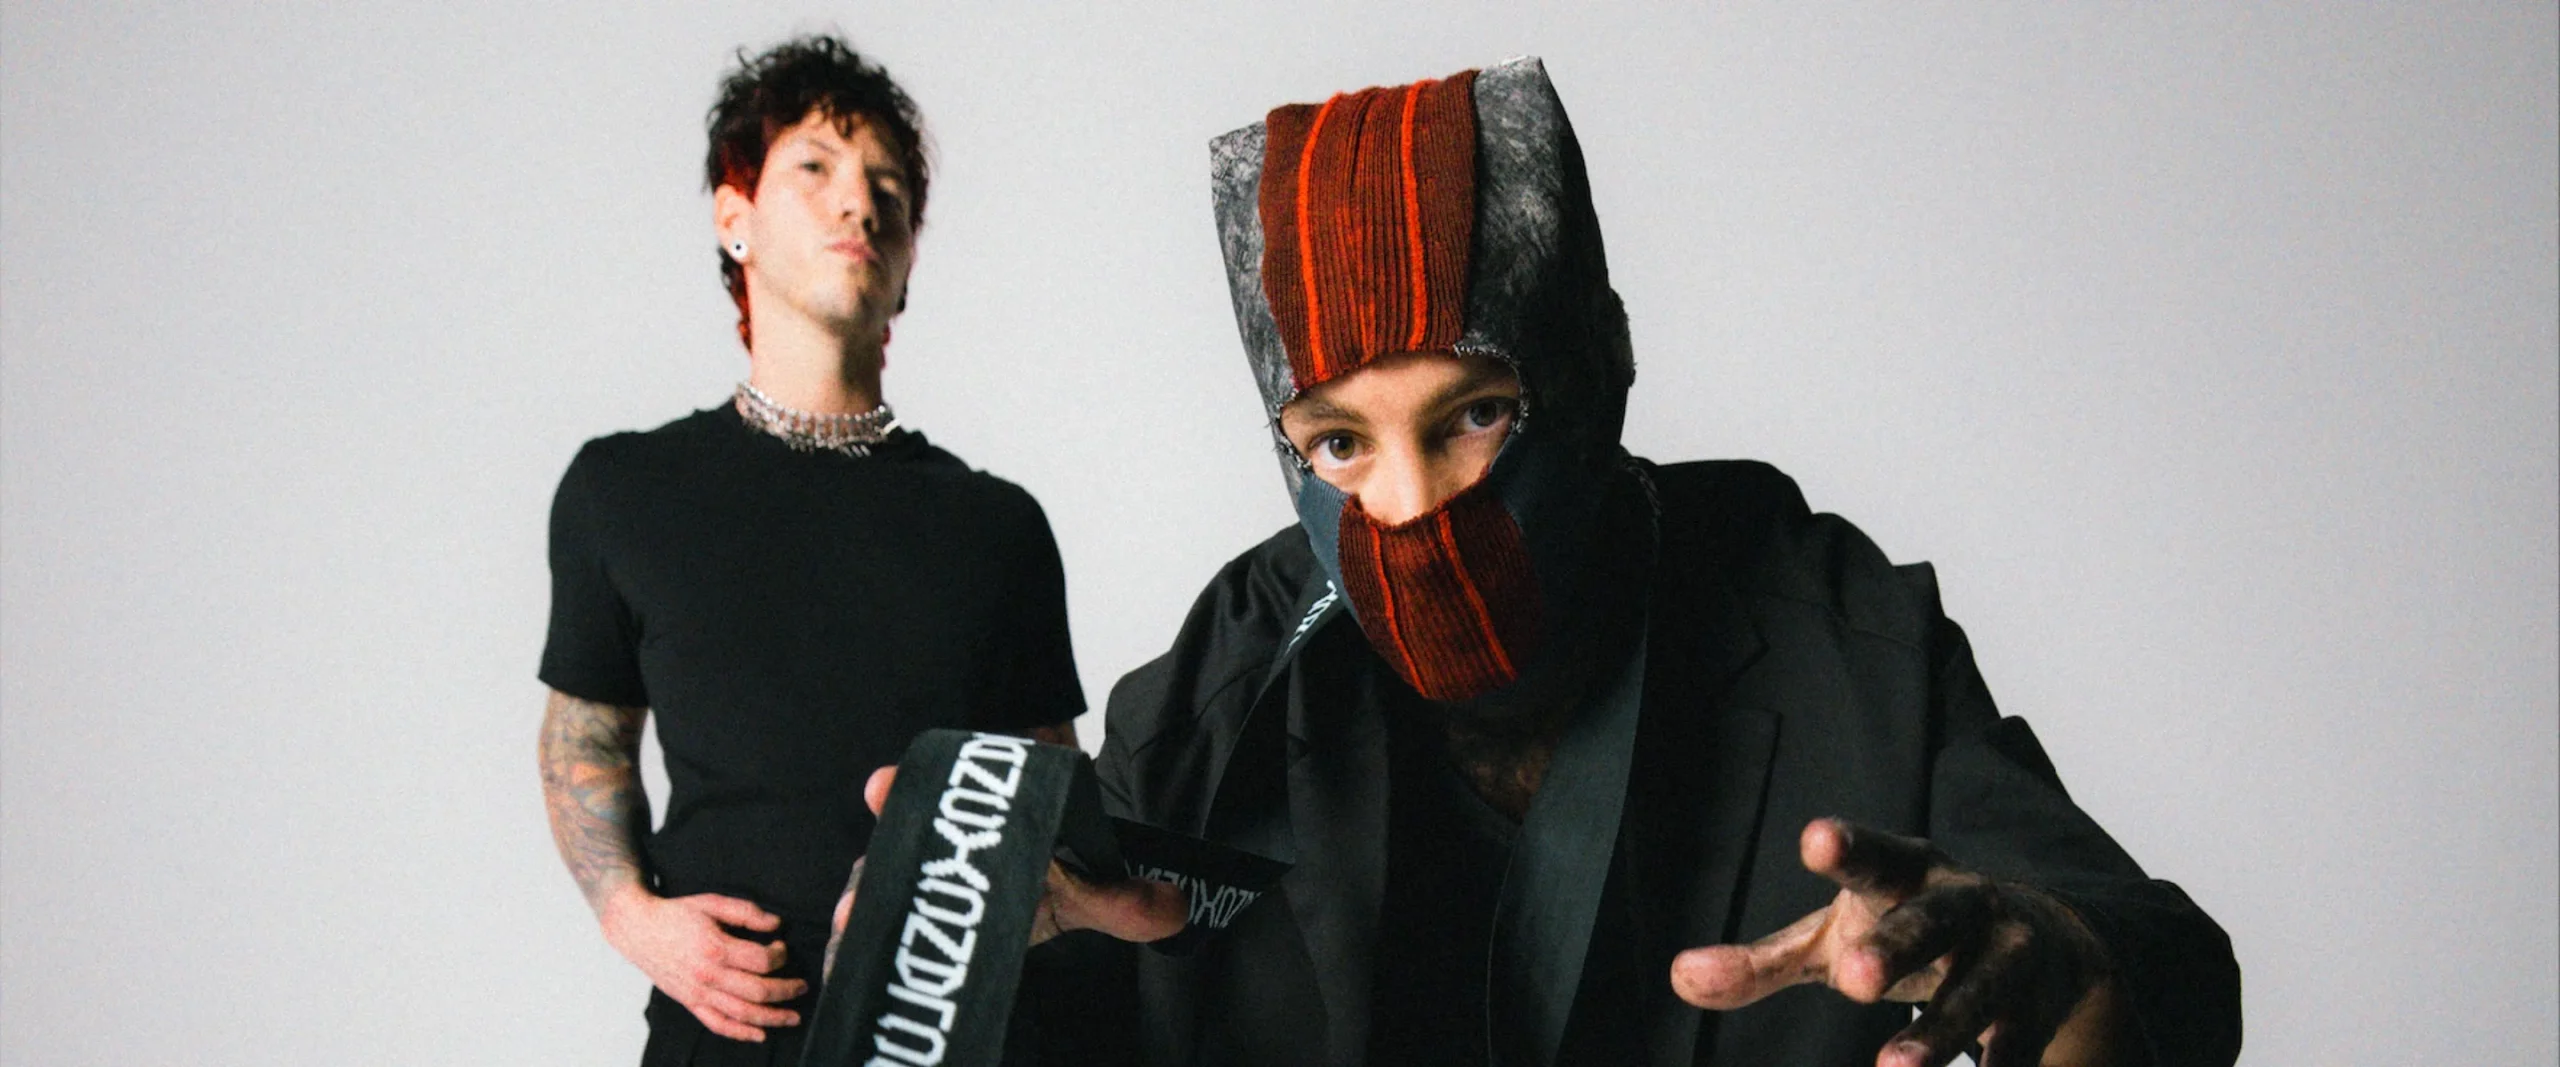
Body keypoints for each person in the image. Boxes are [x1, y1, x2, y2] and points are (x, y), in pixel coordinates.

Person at [873, 57, 2237, 1067]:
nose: (1412, 507)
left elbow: (2161, 966)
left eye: (1474, 415)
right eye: (1339, 443)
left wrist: (2055, 968)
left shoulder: (1826, 624)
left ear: (1599, 365)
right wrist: (962, 982)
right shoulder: (1224, 685)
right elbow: (1085, 998)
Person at [536, 35, 1085, 1066]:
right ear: (733, 217)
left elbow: (1049, 796)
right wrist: (632, 915)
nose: (858, 203)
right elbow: (586, 738)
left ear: (909, 260)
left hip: (959, 1043)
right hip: (724, 1039)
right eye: (816, 167)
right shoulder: (625, 489)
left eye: (888, 187)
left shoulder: (997, 524)